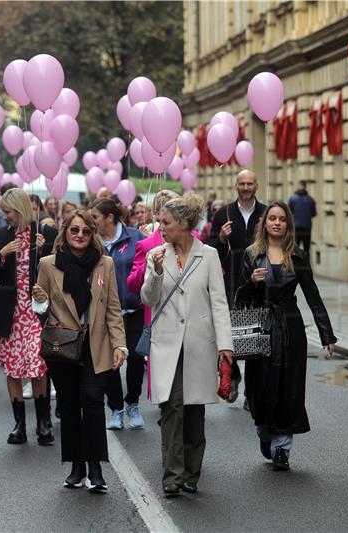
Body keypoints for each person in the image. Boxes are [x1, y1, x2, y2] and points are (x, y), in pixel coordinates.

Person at [140, 193, 234, 496]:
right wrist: (154, 273)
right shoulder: (157, 254)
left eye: (166, 222)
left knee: (194, 411)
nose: (160, 226)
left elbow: (219, 303)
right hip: (167, 344)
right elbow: (148, 299)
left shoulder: (207, 255)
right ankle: (172, 476)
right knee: (172, 408)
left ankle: (192, 472)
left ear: (183, 224)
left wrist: (225, 344)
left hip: (199, 344)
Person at [236, 201, 337, 471]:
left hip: (291, 328)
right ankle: (264, 430)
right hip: (261, 327)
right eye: (272, 218)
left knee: (288, 387)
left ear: (288, 224)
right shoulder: (251, 254)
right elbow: (239, 298)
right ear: (265, 223)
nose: (277, 223)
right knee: (259, 387)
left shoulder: (298, 256)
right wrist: (251, 283)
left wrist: (327, 334)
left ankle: (282, 448)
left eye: (282, 219)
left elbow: (313, 297)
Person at [32, 210, 127, 492]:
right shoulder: (49, 264)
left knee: (94, 402)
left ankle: (96, 468)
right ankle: (76, 467)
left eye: (86, 231)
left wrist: (119, 344)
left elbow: (112, 307)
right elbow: (42, 314)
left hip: (96, 344)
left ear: (93, 234)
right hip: (63, 345)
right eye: (75, 230)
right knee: (71, 406)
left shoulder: (104, 264)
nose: (80, 236)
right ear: (65, 233)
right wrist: (41, 302)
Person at [0, 188, 57, 446]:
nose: (5, 217)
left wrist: (45, 254)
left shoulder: (44, 234)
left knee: (37, 364)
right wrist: (1, 255)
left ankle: (43, 422)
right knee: (13, 368)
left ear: (20, 210)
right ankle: (19, 424)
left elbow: (59, 271)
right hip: (10, 312)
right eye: (3, 213)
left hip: (38, 312)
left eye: (8, 213)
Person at [209, 170, 267, 403]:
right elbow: (211, 251)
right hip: (231, 282)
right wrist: (222, 238)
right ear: (236, 186)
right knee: (229, 334)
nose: (245, 187)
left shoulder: (265, 213)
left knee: (255, 338)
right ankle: (233, 376)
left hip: (259, 282)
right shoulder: (224, 213)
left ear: (256, 185)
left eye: (249, 183)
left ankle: (252, 393)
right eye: (242, 183)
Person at [89, 198, 146, 430]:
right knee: (110, 362)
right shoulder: (92, 241)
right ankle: (116, 408)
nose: (91, 222)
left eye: (95, 217)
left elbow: (146, 265)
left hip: (134, 310)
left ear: (109, 218)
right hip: (104, 313)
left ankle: (132, 402)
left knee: (134, 357)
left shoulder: (134, 237)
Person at [127, 190, 180, 329]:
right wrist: (148, 263)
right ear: (157, 213)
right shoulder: (146, 244)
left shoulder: (194, 238)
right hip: (159, 315)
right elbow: (132, 284)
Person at [288, 180, 317, 252]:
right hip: (307, 227)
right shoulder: (310, 199)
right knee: (307, 249)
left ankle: (296, 263)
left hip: (296, 227)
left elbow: (289, 212)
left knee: (295, 248)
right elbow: (314, 213)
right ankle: (306, 262)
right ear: (305, 187)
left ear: (298, 186)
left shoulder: (293, 199)